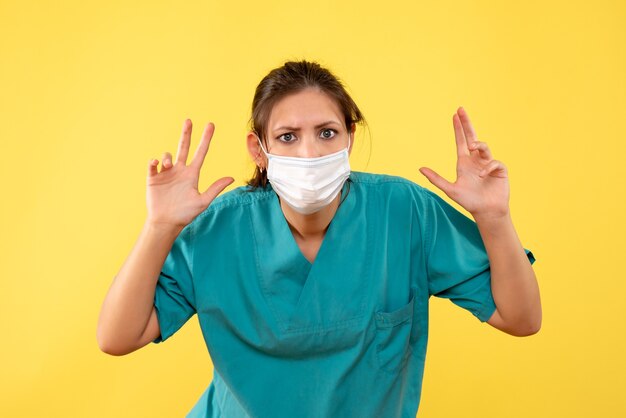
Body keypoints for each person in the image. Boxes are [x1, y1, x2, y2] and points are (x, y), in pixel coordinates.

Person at [97, 60, 541, 418]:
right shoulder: (218, 229)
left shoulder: (403, 213)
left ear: (350, 136)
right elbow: (117, 337)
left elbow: (521, 318)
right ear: (259, 150)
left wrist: (494, 216)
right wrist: (159, 228)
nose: (309, 154)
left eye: (327, 133)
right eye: (287, 137)